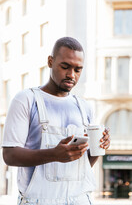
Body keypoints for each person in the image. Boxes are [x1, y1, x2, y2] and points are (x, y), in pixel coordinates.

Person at [2, 37, 110, 205]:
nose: (71, 75)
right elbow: (9, 155)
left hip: (80, 199)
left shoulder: (84, 107)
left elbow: (83, 166)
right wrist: (53, 154)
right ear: (50, 61)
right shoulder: (26, 100)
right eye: (65, 67)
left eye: (78, 69)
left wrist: (99, 147)